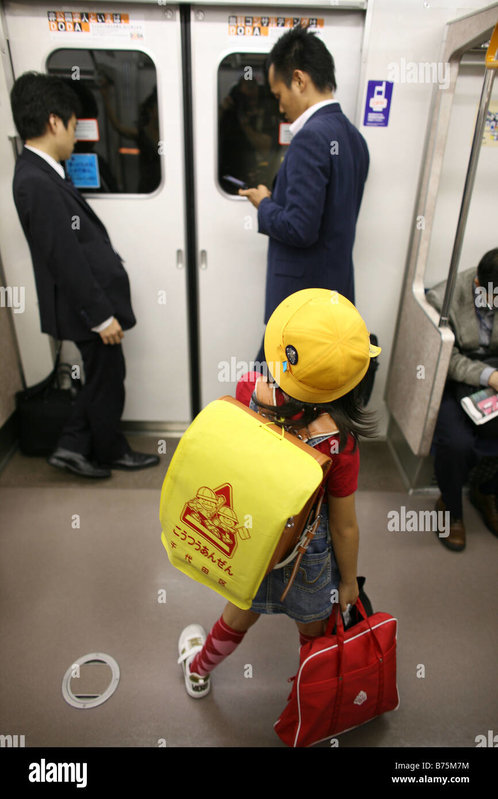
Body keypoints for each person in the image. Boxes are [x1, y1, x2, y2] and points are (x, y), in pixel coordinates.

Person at [177, 288, 381, 698]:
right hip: (308, 553)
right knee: (313, 632)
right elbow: (344, 526)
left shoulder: (251, 389)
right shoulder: (341, 443)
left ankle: (199, 670)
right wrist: (347, 583)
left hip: (256, 540)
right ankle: (312, 699)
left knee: (237, 615)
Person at [10, 72, 159, 478]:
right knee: (106, 377)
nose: (77, 135)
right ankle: (95, 448)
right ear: (54, 122)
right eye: (74, 125)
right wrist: (100, 315)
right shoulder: (34, 182)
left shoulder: (42, 173)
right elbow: (64, 257)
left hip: (86, 302)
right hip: (84, 306)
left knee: (104, 375)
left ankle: (82, 446)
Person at [238, 26, 369, 362]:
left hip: (300, 305)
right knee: (309, 392)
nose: (279, 107)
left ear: (299, 80)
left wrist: (264, 203)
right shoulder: (354, 139)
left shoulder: (311, 138)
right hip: (332, 297)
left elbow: (300, 228)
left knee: (270, 392)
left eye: (278, 94)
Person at [426, 248, 498, 551]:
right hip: (454, 378)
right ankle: (450, 507)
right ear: (479, 284)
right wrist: (488, 377)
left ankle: (486, 491)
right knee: (455, 442)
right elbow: (446, 357)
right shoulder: (443, 298)